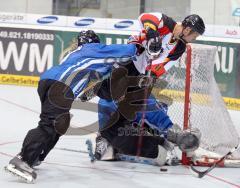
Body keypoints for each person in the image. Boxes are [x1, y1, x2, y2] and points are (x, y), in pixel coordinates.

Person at [4, 30, 138, 183]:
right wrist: (138, 43)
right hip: (60, 86)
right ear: (94, 42)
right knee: (49, 124)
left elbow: (98, 85)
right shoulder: (92, 49)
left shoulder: (81, 56)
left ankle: (35, 157)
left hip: (50, 82)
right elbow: (129, 50)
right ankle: (22, 160)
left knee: (60, 123)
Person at [94, 12, 205, 165]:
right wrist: (152, 34)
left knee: (145, 103)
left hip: (140, 74)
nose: (194, 39)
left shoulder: (180, 48)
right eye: (195, 35)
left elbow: (162, 65)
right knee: (108, 102)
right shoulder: (166, 23)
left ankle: (173, 134)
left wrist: (150, 75)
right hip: (129, 63)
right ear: (187, 30)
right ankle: (105, 138)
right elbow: (144, 17)